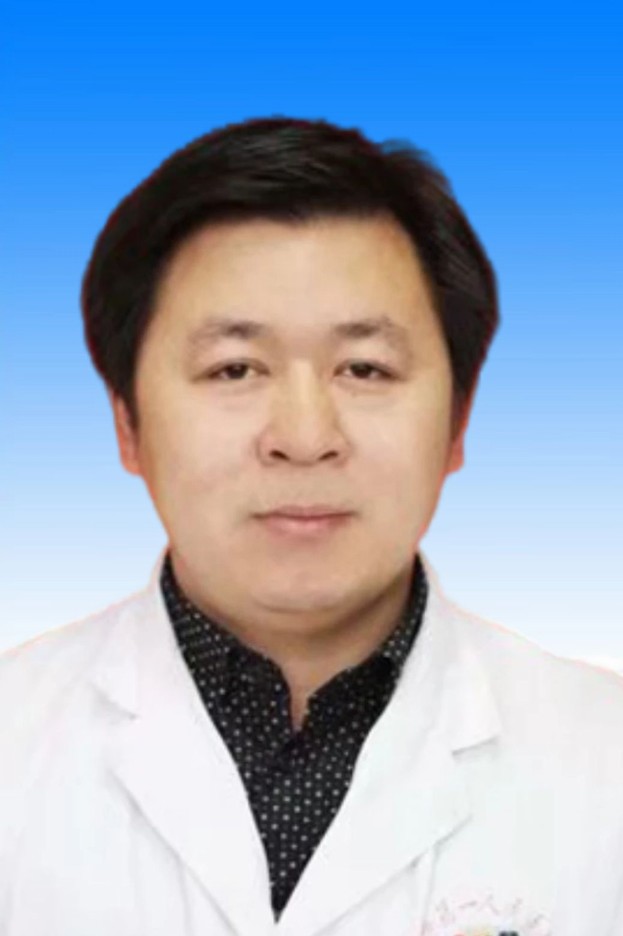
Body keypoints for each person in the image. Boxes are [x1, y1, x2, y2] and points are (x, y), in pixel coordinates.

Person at [1, 117, 622, 936]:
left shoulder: (604, 759)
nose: (302, 436)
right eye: (234, 368)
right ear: (128, 424)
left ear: (458, 420)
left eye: (364, 368)